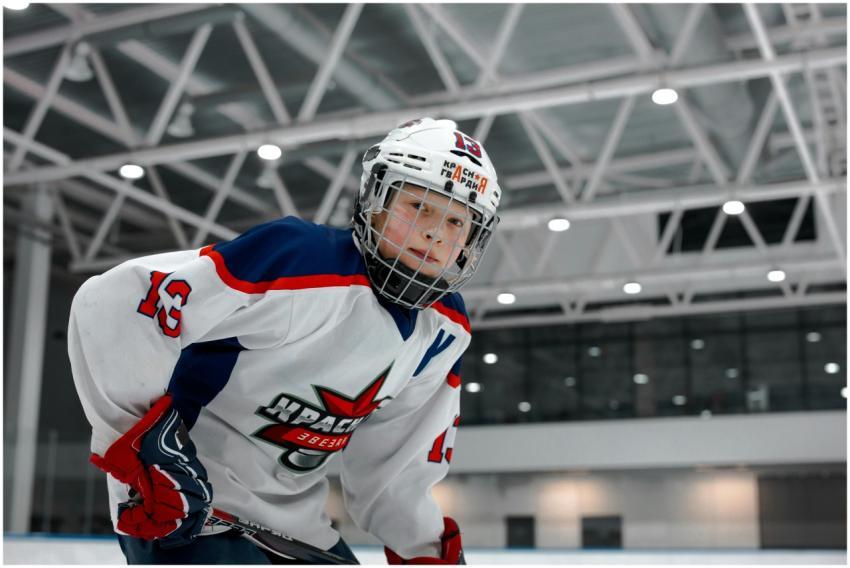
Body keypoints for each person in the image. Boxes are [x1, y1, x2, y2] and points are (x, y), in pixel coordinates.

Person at [68, 117, 501, 564]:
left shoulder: (445, 329)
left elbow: (398, 468)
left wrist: (424, 551)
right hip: (189, 510)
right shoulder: (299, 258)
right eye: (419, 206)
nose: (435, 232)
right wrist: (145, 455)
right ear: (375, 201)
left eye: (456, 221)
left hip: (302, 528)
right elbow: (116, 303)